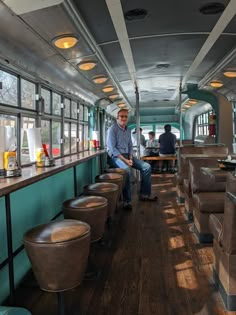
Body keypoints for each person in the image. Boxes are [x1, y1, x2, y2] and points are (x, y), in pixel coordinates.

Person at [107, 109, 158, 210]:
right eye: (121, 116)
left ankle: (144, 194)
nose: (124, 118)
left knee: (146, 167)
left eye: (125, 116)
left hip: (127, 156)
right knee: (127, 171)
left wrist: (130, 157)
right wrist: (126, 161)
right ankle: (127, 201)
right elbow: (112, 149)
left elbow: (130, 145)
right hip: (115, 157)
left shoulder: (128, 130)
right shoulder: (112, 129)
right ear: (117, 118)